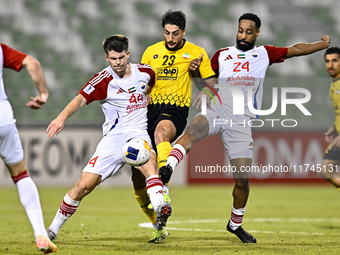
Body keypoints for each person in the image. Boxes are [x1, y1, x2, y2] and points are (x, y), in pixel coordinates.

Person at [159, 13, 331, 243]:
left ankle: (235, 224)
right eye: (240, 30)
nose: (243, 35)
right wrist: (194, 73)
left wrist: (322, 44)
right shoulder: (222, 55)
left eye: (248, 32)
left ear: (257, 33)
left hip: (241, 120)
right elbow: (206, 82)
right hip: (218, 109)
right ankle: (167, 167)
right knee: (193, 131)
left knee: (242, 179)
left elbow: (296, 49)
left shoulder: (264, 53)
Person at [46, 35, 171, 242]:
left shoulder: (145, 72)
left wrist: (147, 94)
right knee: (84, 185)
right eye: (113, 59)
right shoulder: (103, 80)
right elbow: (80, 99)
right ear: (107, 58)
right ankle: (52, 229)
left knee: (149, 165)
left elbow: (149, 85)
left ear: (128, 54)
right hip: (113, 139)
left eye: (121, 57)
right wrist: (62, 117)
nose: (118, 62)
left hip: (138, 134)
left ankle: (161, 208)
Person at [130, 10, 216, 243]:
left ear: (184, 32)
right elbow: (141, 82)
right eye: (167, 33)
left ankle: (164, 186)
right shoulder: (151, 51)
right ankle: (157, 224)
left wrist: (198, 75)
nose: (170, 38)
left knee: (161, 134)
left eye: (175, 34)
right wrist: (143, 93)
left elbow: (210, 83)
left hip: (175, 110)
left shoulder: (197, 53)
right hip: (147, 113)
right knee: (137, 175)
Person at [0, 44, 57, 253]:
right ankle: (41, 234)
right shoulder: (1, 50)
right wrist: (42, 94)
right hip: (3, 121)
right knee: (21, 175)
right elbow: (32, 63)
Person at [319, 47, 340, 188]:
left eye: (335, 61)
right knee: (326, 171)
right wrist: (334, 127)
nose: (330, 65)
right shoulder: (334, 85)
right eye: (327, 61)